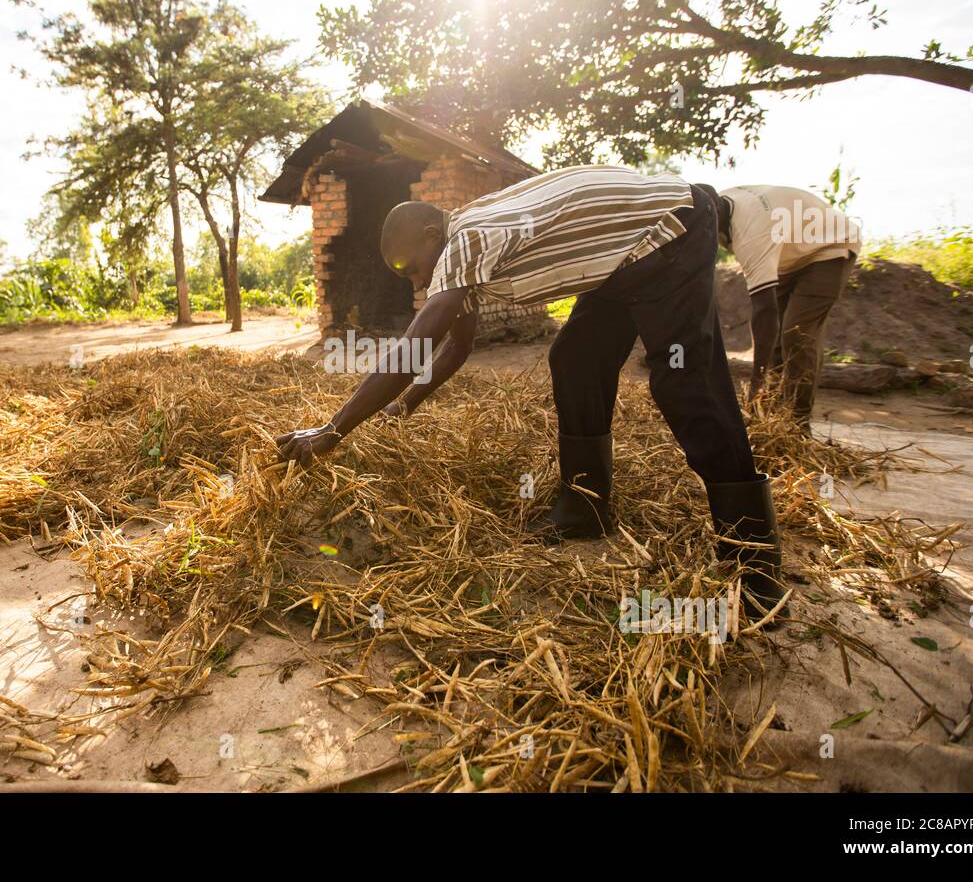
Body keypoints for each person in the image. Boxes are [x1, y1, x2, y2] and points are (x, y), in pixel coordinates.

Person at [277, 166, 786, 620]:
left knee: (684, 380)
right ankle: (586, 507)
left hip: (667, 230)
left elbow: (417, 346)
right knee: (576, 359)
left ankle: (754, 561)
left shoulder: (466, 241)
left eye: (411, 267)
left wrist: (333, 430)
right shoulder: (464, 242)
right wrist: (403, 405)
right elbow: (458, 345)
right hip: (621, 260)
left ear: (433, 235)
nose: (414, 281)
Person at [708, 184, 862, 426]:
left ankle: (797, 425)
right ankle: (770, 419)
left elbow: (764, 310)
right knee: (776, 341)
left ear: (716, 215)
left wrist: (756, 381)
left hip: (828, 246)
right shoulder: (716, 207)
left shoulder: (750, 232)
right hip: (789, 252)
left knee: (797, 333)